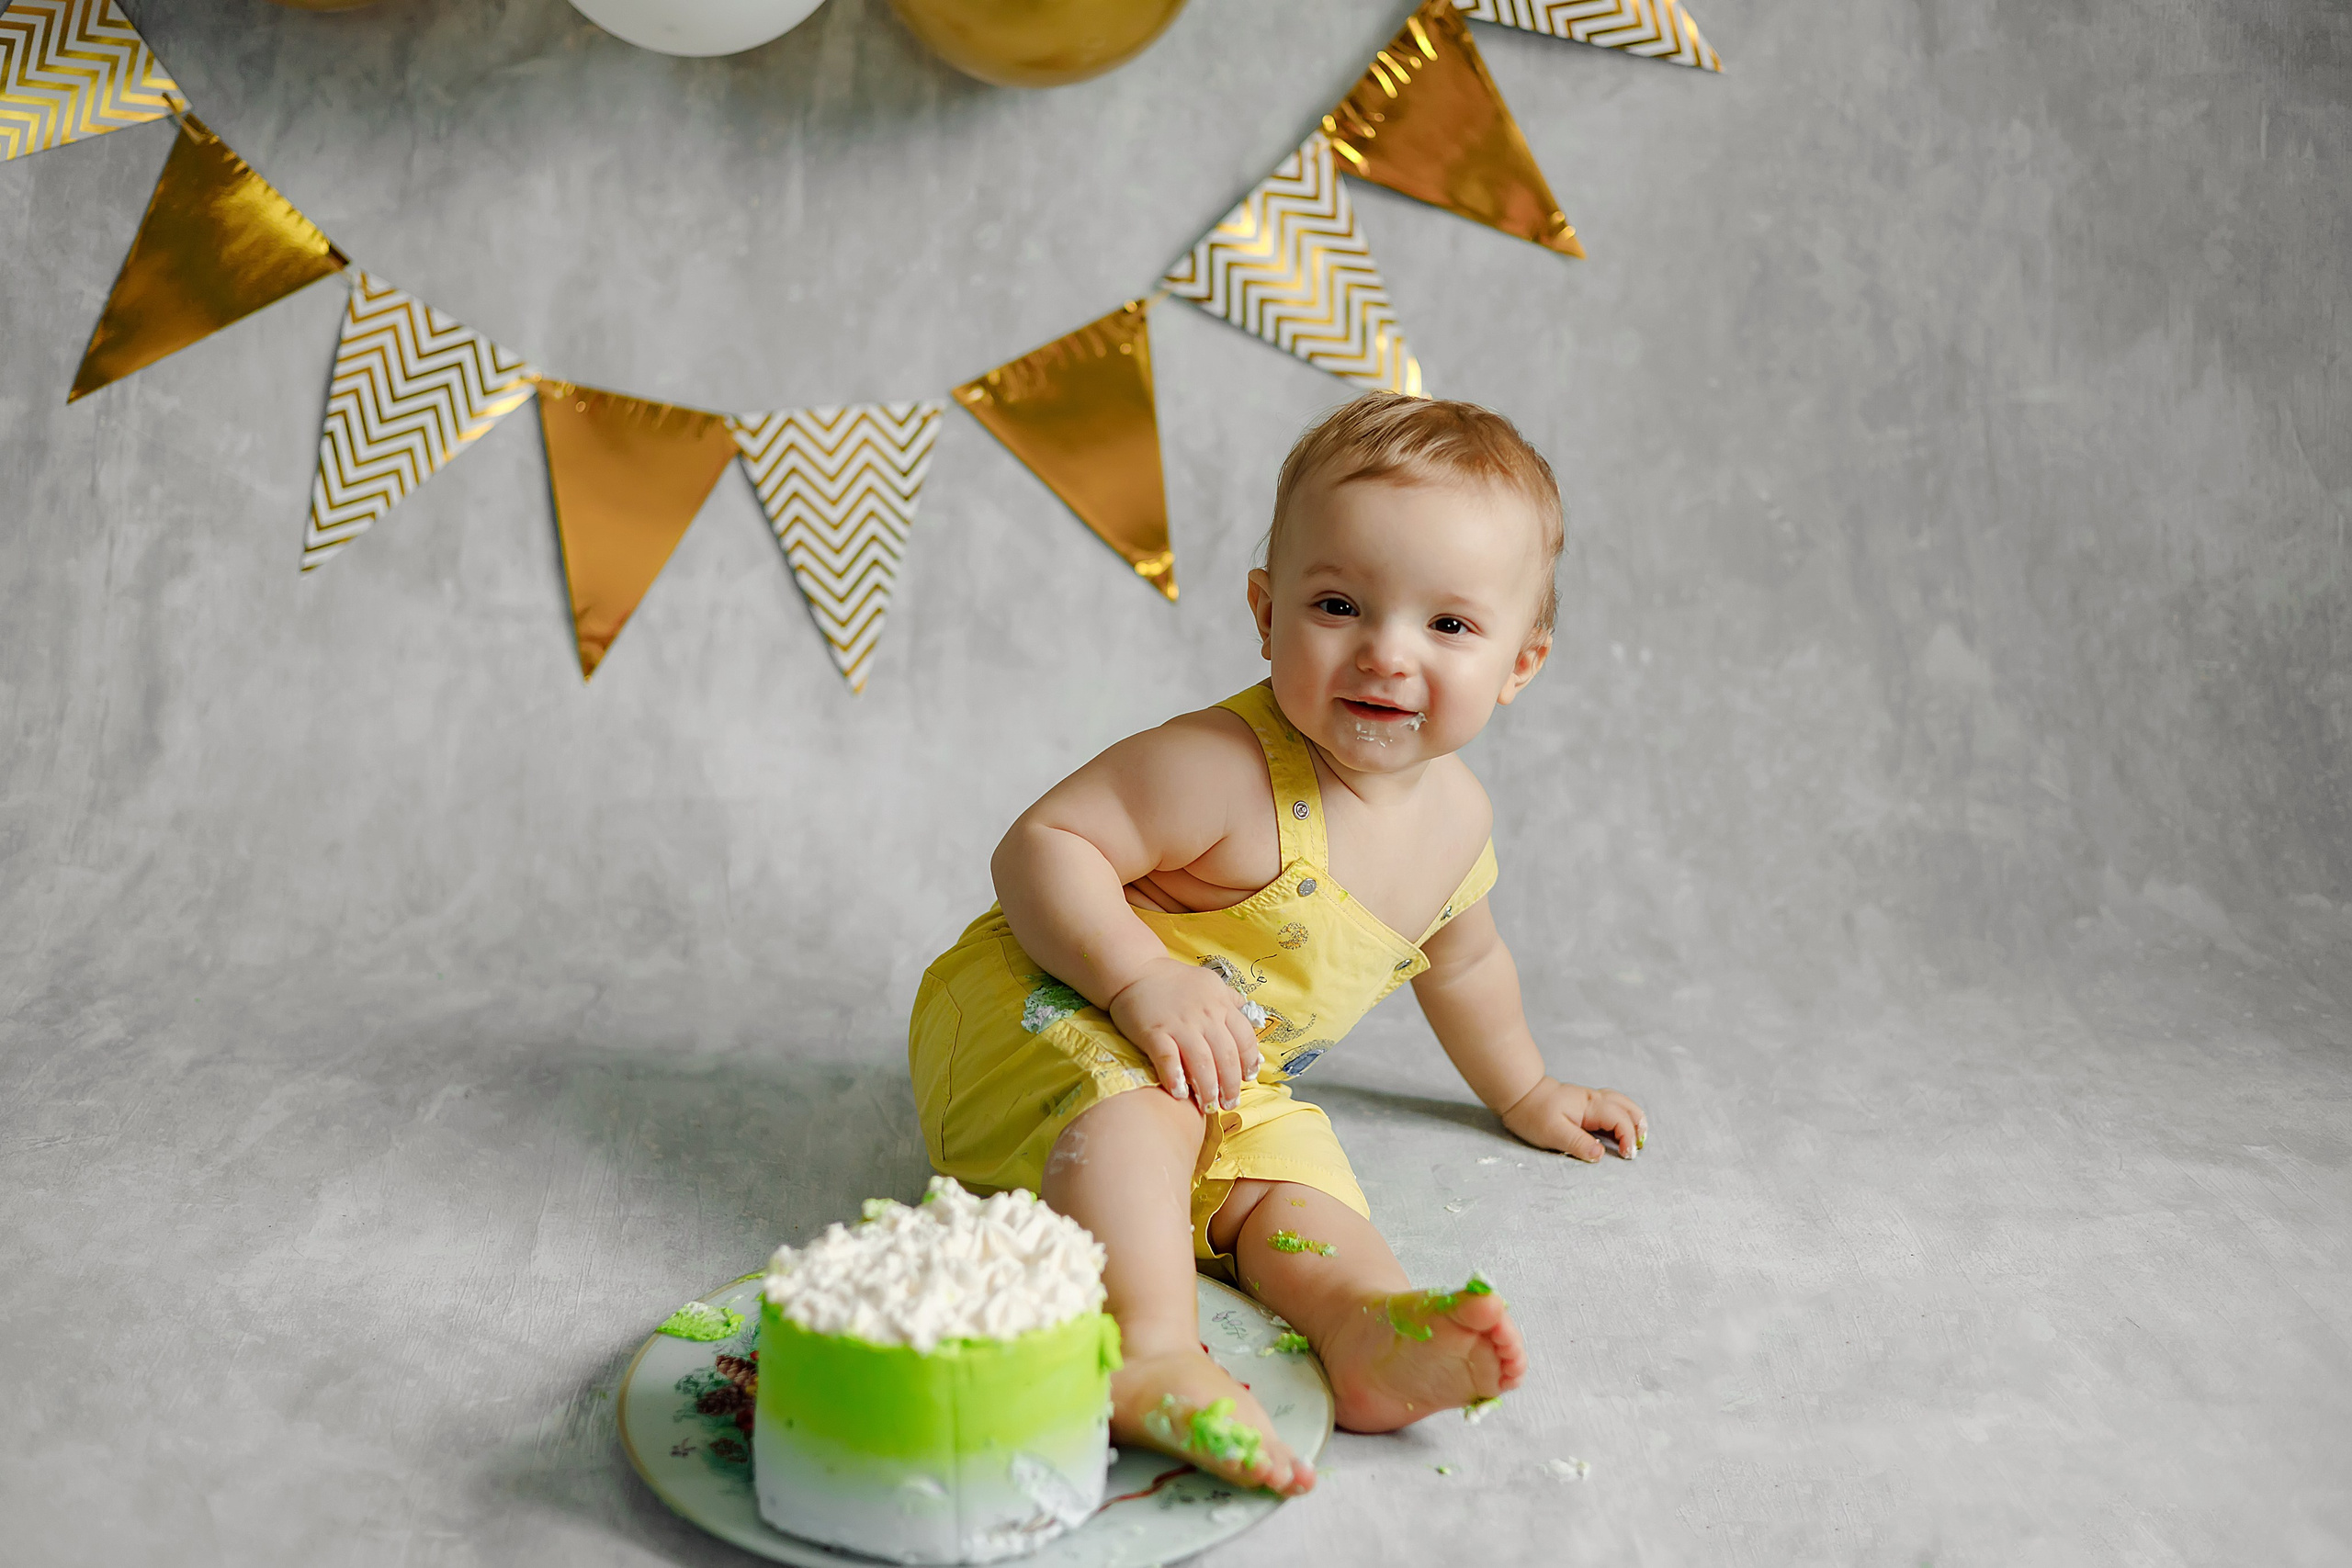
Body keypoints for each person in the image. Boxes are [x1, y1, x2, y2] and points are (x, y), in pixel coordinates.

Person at [907, 391, 1649, 1494]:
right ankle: (1146, 1352)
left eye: (1447, 626)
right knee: (1149, 1106)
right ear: (1266, 615)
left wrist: (1527, 1089)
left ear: (1520, 664)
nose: (1386, 656)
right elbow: (1041, 845)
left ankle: (1359, 1330)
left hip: (1221, 1071)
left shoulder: (1456, 826)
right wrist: (1140, 975)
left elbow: (1468, 964)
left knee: (1293, 1180)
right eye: (1340, 605)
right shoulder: (1219, 767)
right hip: (1043, 1017)